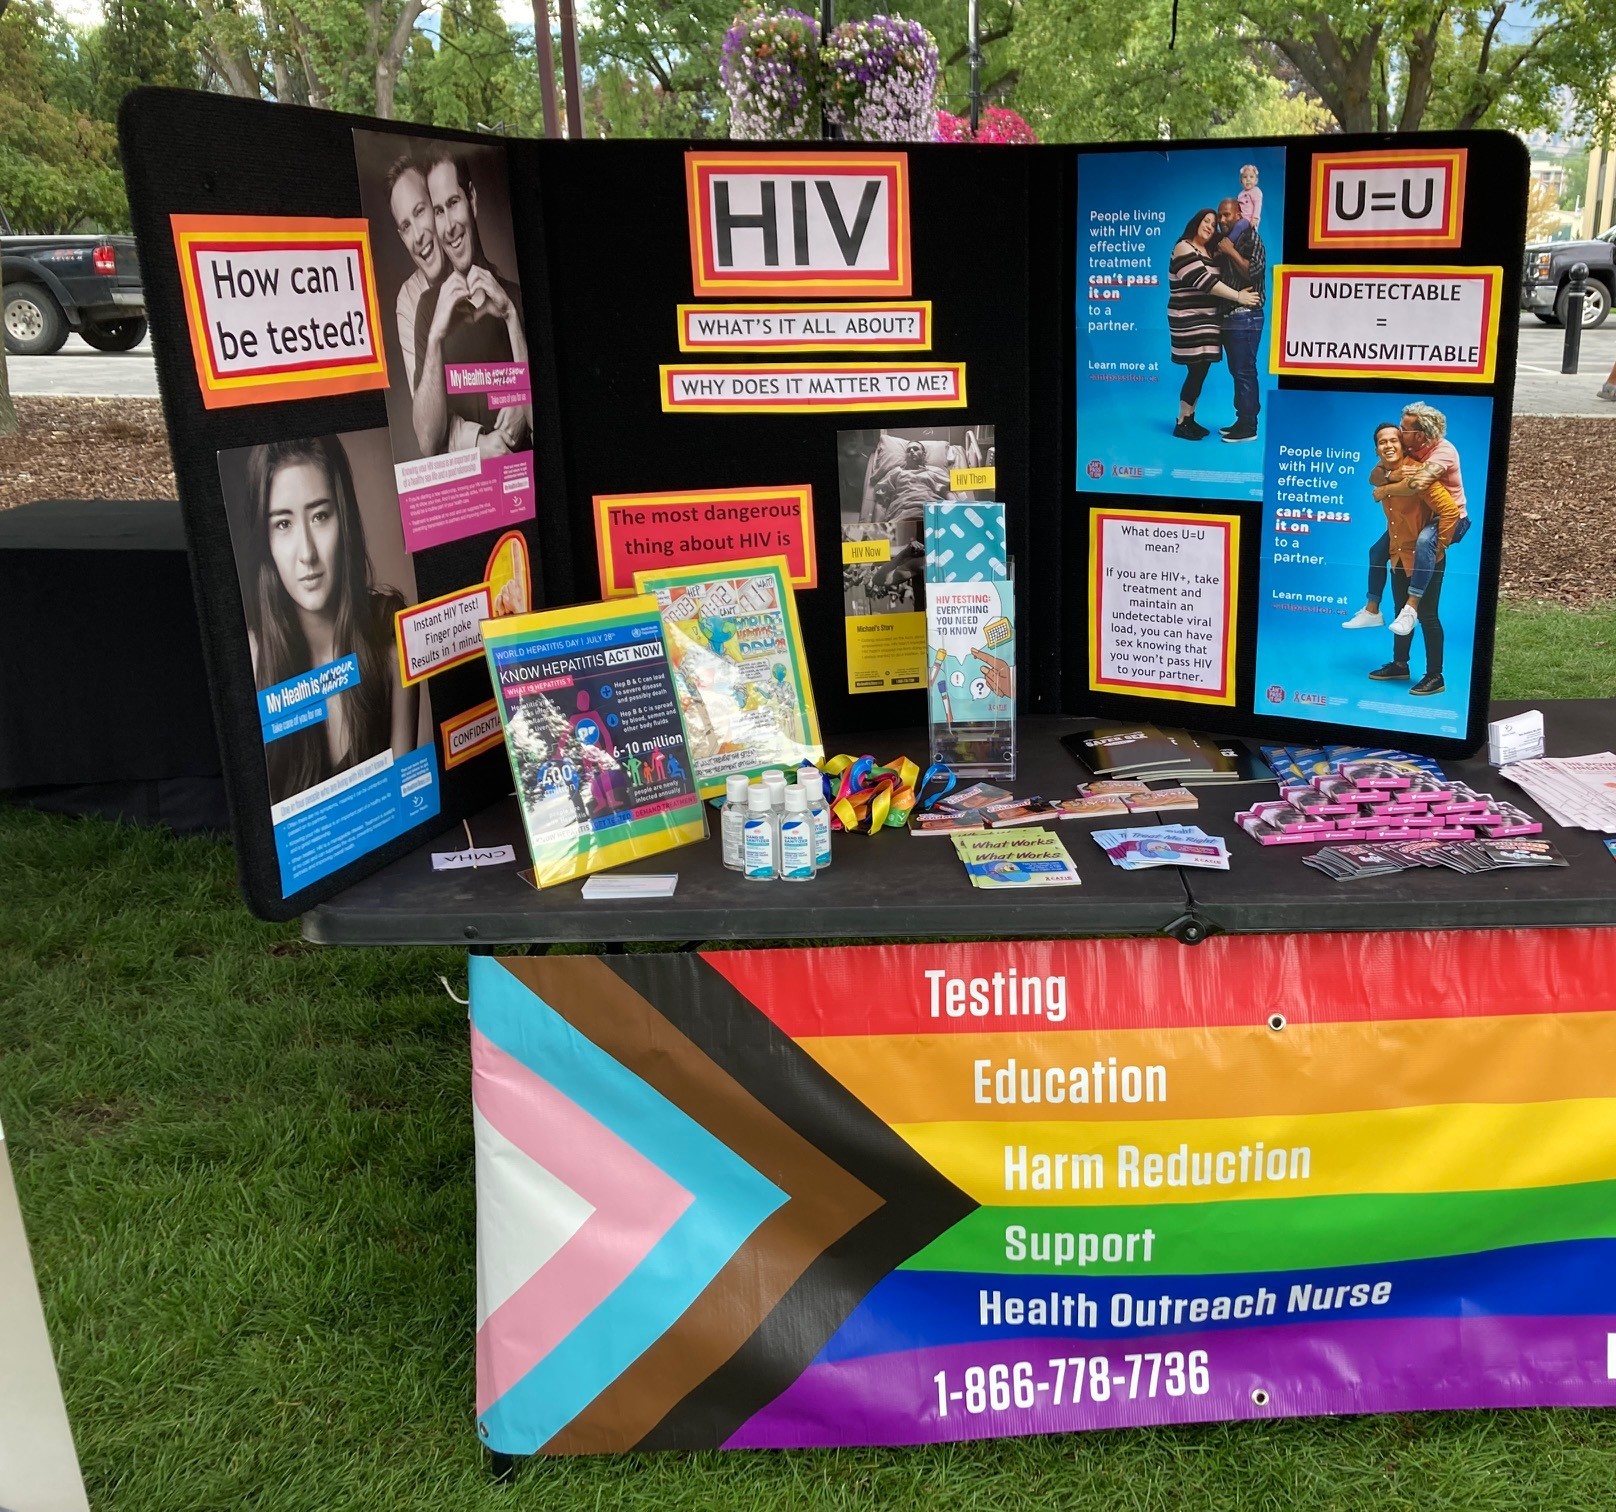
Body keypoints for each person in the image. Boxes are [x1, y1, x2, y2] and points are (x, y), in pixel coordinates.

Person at [241, 437, 419, 805]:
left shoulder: (391, 643)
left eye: (320, 516)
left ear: (345, 519)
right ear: (266, 541)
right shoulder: (253, 659)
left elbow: (407, 806)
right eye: (283, 524)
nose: (306, 553)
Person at [412, 146, 532, 458]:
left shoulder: (516, 297)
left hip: (524, 484)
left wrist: (509, 315)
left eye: (453, 203)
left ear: (472, 201)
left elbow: (545, 418)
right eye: (439, 211)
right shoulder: (427, 309)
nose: (449, 226)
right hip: (469, 500)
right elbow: (427, 441)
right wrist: (436, 335)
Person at [384, 153, 485, 458]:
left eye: (420, 211)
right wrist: (479, 440)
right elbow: (429, 435)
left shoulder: (487, 276)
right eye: (405, 226)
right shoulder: (410, 300)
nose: (417, 236)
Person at [1344, 401, 1472, 634]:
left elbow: (1417, 484)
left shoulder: (1444, 451)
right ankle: (1372, 609)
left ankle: (1411, 608)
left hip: (1452, 518)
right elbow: (1375, 475)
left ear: (1420, 434)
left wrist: (1386, 489)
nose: (1399, 433)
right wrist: (1391, 473)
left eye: (1404, 429)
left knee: (1424, 542)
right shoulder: (1412, 449)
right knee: (1376, 551)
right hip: (1427, 514)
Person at [1358, 424, 1454, 697]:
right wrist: (1386, 483)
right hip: (1398, 554)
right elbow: (1375, 477)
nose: (1388, 445)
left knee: (1427, 616)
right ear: (1377, 448)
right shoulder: (1385, 474)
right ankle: (1400, 664)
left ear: (1403, 445)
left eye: (1393, 441)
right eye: (1381, 442)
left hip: (1424, 559)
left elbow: (1449, 511)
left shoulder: (1418, 473)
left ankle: (1435, 675)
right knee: (1402, 610)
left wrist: (1440, 546)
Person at [1167, 209, 1260, 440]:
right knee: (1196, 370)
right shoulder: (1183, 247)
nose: (1210, 226)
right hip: (1189, 320)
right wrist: (1239, 296)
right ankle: (1182, 422)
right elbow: (1205, 282)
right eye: (1206, 221)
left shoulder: (1207, 251)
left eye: (1213, 223)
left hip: (1208, 320)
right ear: (1195, 222)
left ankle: (1189, 418)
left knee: (1201, 370)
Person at [1213, 196, 1265, 443]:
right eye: (1220, 215)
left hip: (1246, 317)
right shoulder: (1223, 241)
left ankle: (1249, 427)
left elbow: (1254, 273)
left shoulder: (1250, 237)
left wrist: (1230, 251)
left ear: (1238, 215)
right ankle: (1242, 419)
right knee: (1237, 371)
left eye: (1227, 215)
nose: (1222, 220)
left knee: (1244, 371)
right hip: (1229, 316)